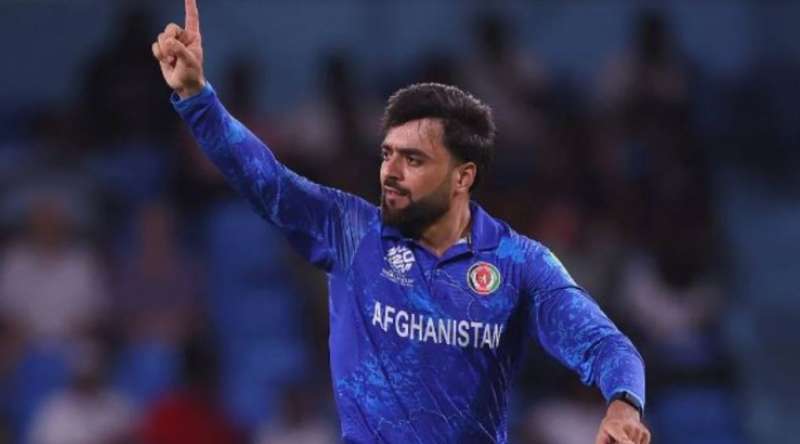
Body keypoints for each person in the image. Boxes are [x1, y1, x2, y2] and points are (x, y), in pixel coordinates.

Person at [150, 2, 651, 443]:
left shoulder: (520, 265)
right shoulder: (351, 232)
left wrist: (623, 405)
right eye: (387, 153)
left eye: (413, 159)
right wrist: (197, 98)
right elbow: (266, 180)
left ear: (463, 176)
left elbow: (604, 344)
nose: (390, 171)